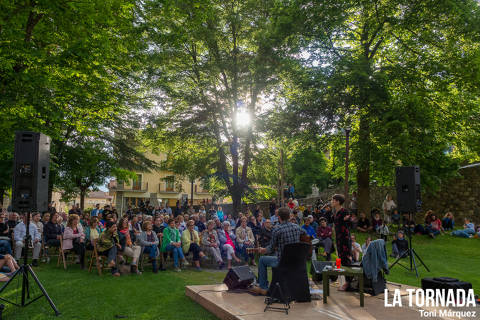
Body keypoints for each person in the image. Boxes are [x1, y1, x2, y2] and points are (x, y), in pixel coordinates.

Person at [249, 207, 306, 296]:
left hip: (282, 262)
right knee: (275, 255)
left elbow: (270, 248)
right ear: (289, 217)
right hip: (295, 261)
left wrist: (263, 250)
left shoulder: (277, 230)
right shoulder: (297, 227)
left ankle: (263, 287)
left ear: (279, 217)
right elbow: (305, 235)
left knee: (262, 260)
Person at [331, 194, 352, 291]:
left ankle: (348, 283)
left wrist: (348, 219)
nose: (332, 202)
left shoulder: (344, 211)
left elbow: (349, 223)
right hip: (338, 239)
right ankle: (342, 278)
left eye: (333, 200)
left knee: (346, 259)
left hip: (344, 238)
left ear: (338, 202)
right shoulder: (335, 212)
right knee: (340, 258)